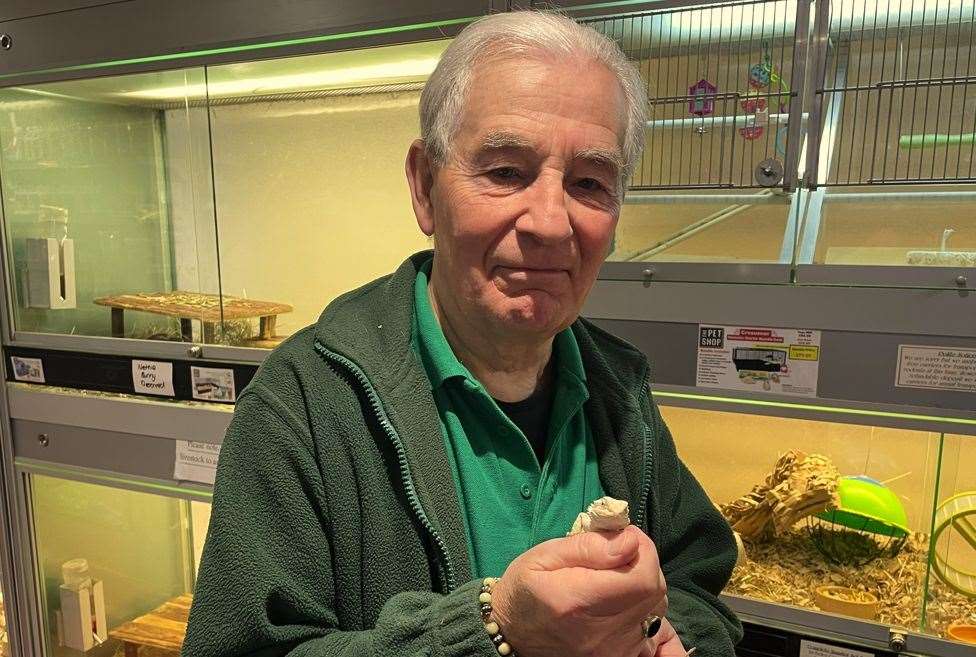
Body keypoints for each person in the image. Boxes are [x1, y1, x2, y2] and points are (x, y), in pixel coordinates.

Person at [183, 10, 742, 657]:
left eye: (590, 182)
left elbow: (699, 588)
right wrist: (492, 628)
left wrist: (672, 635)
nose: (551, 223)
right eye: (506, 171)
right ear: (424, 187)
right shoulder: (305, 404)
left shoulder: (621, 392)